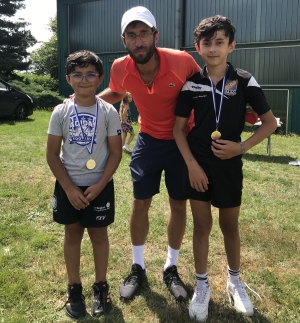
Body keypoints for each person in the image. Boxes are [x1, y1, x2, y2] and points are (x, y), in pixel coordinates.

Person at [173, 15, 277, 322]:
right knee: (201, 226)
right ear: (198, 47)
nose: (213, 49)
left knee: (229, 227)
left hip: (229, 167)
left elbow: (269, 123)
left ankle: (234, 281)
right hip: (197, 168)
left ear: (231, 46)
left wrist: (240, 148)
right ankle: (202, 285)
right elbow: (179, 130)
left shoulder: (244, 80)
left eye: (220, 43)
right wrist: (191, 165)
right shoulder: (192, 84)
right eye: (207, 43)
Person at [97, 6, 200, 302]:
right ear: (123, 39)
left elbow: (204, 87)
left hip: (184, 141)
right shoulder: (119, 67)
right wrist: (80, 100)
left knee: (178, 205)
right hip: (149, 140)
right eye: (132, 35)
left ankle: (171, 267)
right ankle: (137, 267)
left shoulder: (182, 61)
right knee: (140, 203)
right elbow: (116, 92)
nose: (138, 41)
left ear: (155, 35)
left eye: (144, 33)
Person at [47, 50, 122, 319]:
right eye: (77, 74)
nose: (84, 80)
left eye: (91, 74)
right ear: (68, 79)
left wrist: (101, 184)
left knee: (99, 236)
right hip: (69, 186)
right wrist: (68, 188)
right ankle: (74, 288)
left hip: (99, 185)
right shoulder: (60, 111)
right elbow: (52, 155)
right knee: (73, 235)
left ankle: (101, 286)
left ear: (100, 78)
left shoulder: (109, 112)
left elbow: (116, 153)